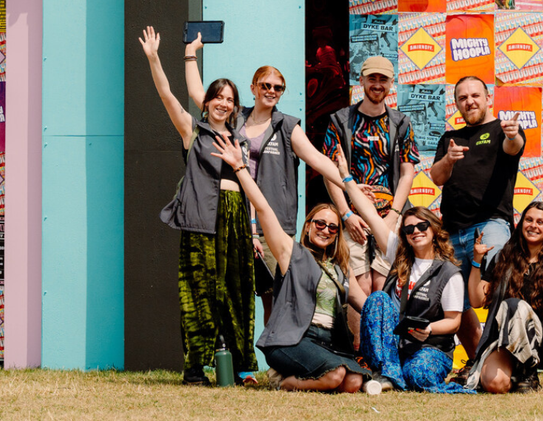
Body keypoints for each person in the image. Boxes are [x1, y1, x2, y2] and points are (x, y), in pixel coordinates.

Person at [184, 34, 347, 322]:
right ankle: (237, 363)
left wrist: (350, 182)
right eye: (266, 86)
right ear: (254, 88)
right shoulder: (235, 118)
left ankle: (276, 362)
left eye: (278, 88)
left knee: (276, 295)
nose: (271, 91)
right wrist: (190, 55)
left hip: (274, 223)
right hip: (235, 217)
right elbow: (200, 95)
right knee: (236, 293)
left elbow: (318, 160)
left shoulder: (286, 126)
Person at [210, 133, 376, 392]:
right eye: (320, 223)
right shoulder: (292, 253)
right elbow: (263, 209)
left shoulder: (340, 268)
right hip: (292, 340)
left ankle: (311, 378)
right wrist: (240, 168)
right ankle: (285, 381)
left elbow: (367, 306)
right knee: (336, 376)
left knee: (354, 381)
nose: (325, 230)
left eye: (332, 228)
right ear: (308, 226)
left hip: (328, 343)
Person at [138, 26, 254, 386]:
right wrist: (156, 59)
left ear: (235, 107)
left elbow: (248, 189)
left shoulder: (241, 140)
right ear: (207, 102)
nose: (223, 102)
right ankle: (195, 368)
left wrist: (253, 230)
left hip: (236, 222)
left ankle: (239, 366)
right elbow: (168, 94)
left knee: (238, 292)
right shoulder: (193, 130)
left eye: (230, 99)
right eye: (217, 97)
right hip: (203, 220)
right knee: (200, 292)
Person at [335, 150, 470, 393]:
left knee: (418, 375)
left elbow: (454, 321)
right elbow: (369, 213)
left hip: (431, 348)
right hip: (395, 346)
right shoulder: (398, 254)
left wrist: (428, 329)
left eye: (422, 226)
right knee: (377, 299)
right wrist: (346, 178)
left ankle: (392, 376)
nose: (415, 231)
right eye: (409, 229)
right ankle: (385, 371)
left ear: (434, 230)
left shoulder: (449, 272)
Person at [323, 56, 419, 345]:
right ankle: (359, 354)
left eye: (383, 79)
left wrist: (394, 214)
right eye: (372, 78)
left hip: (390, 214)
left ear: (391, 83)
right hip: (353, 214)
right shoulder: (340, 120)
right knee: (358, 286)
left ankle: (385, 351)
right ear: (361, 81)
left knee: (385, 284)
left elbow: (407, 171)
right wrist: (346, 214)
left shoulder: (401, 123)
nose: (377, 85)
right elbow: (329, 171)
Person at [430, 76, 525, 358]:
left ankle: (508, 361)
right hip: (450, 232)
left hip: (490, 225)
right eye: (462, 97)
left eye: (475, 95)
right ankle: (479, 363)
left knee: (496, 292)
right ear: (456, 103)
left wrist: (511, 135)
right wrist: (448, 159)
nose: (469, 101)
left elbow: (514, 146)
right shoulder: (449, 138)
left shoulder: (502, 130)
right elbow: (436, 177)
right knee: (454, 302)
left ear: (487, 98)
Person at [465, 202, 543, 393]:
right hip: (504, 341)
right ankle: (519, 375)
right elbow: (476, 301)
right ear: (521, 223)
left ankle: (528, 369)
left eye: (540, 222)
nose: (533, 225)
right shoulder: (503, 258)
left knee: (515, 305)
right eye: (529, 220)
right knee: (494, 384)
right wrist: (476, 261)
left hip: (540, 343)